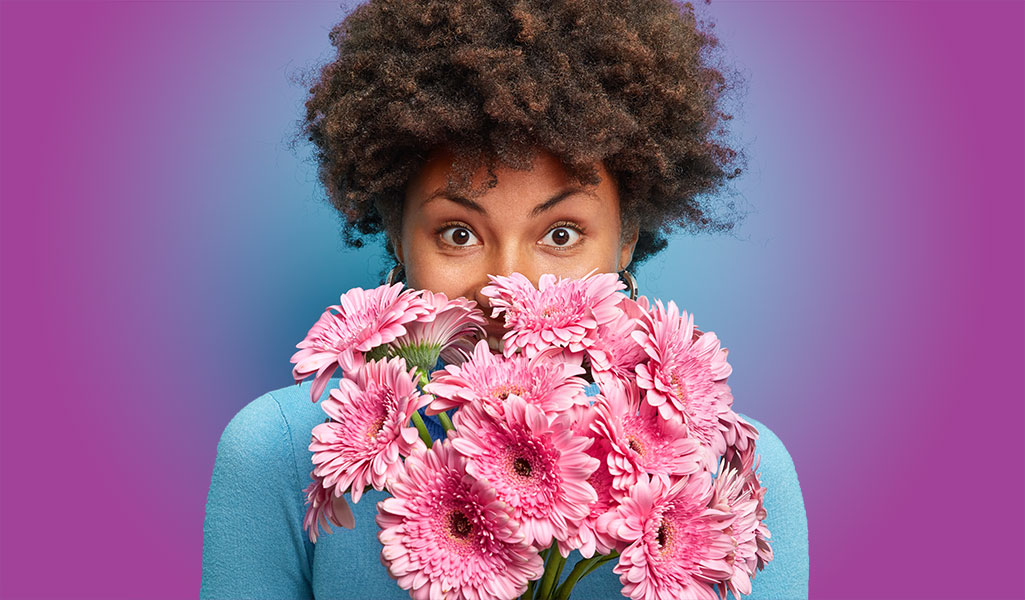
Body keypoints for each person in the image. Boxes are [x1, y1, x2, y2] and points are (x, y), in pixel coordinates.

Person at [201, 0, 810, 598]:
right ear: (397, 233)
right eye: (459, 234)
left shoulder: (735, 476)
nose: (506, 288)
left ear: (626, 239)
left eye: (560, 235)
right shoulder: (279, 450)